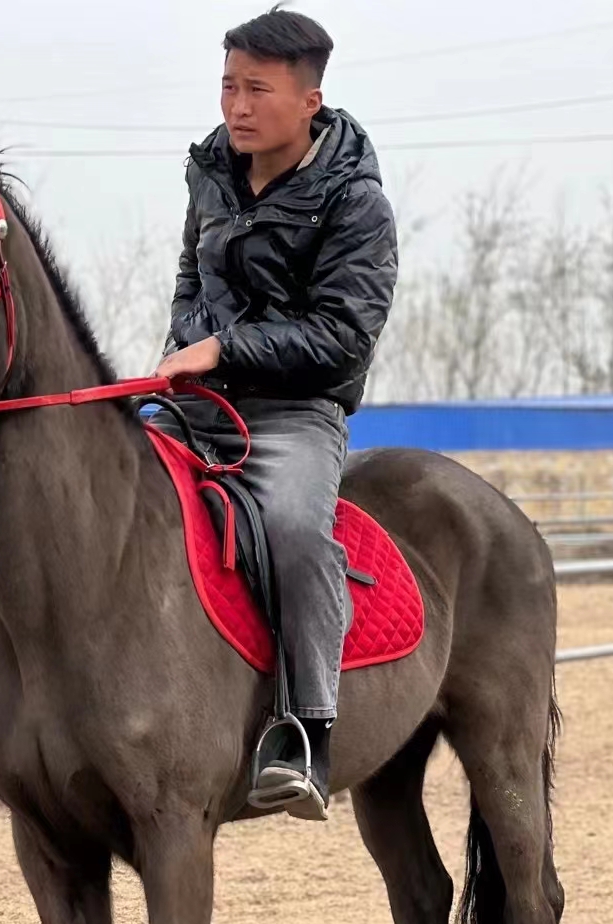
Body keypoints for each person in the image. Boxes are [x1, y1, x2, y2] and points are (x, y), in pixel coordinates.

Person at [151, 6, 398, 821]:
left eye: (257, 89)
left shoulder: (358, 205)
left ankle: (306, 732)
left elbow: (342, 335)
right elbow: (192, 278)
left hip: (296, 414)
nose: (237, 106)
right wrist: (186, 346)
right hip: (197, 402)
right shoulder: (211, 171)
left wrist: (226, 350)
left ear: (310, 100)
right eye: (228, 86)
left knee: (294, 528)